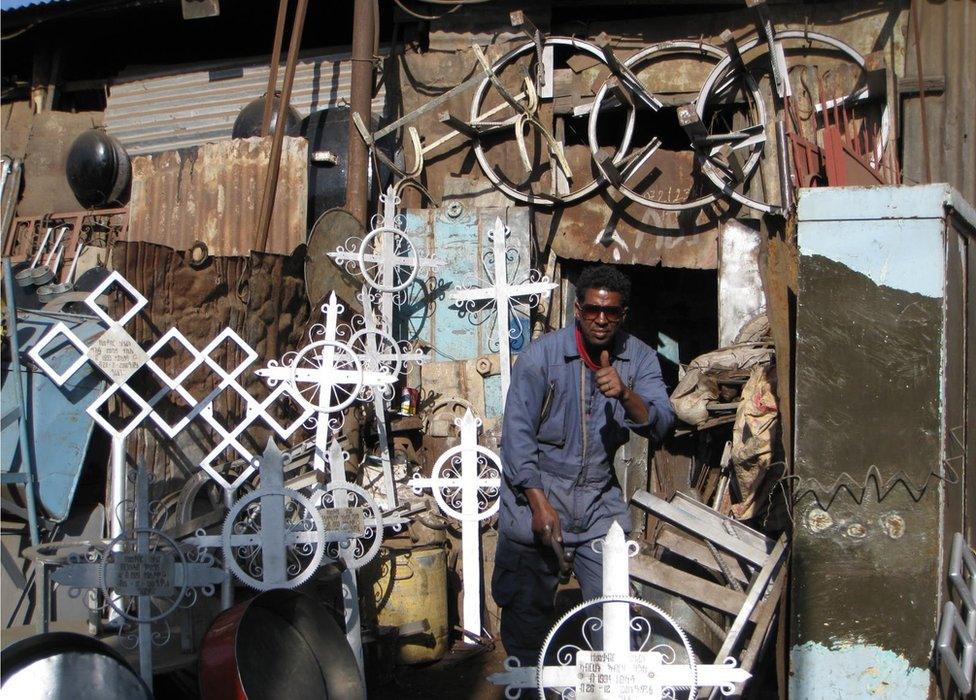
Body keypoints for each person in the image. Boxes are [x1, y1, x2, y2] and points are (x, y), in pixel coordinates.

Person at [491, 264, 675, 666]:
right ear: (578, 309)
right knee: (526, 621)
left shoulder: (639, 357)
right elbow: (517, 437)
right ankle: (529, 685)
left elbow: (662, 421)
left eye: (611, 312)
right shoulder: (542, 356)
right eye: (593, 310)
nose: (601, 320)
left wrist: (626, 394)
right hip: (536, 498)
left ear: (623, 314)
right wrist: (539, 505)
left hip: (596, 503)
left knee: (613, 617)